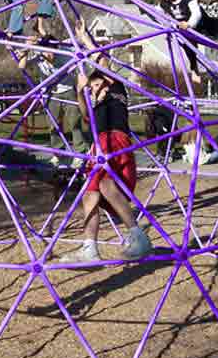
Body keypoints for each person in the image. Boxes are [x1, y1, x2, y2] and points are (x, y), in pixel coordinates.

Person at [63, 22, 153, 262]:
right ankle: (90, 247)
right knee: (90, 193)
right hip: (99, 146)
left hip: (117, 141)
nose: (94, 89)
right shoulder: (96, 102)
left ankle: (137, 235)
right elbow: (85, 117)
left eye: (95, 84)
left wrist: (84, 39)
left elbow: (102, 60)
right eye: (92, 87)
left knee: (102, 184)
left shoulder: (115, 88)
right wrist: (81, 92)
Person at [17, 35, 88, 168]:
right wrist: (26, 48)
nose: (50, 55)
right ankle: (59, 153)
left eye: (52, 52)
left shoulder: (65, 54)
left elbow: (80, 47)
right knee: (53, 125)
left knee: (75, 123)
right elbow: (21, 66)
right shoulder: (39, 56)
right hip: (50, 94)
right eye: (46, 52)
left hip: (68, 91)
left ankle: (80, 153)